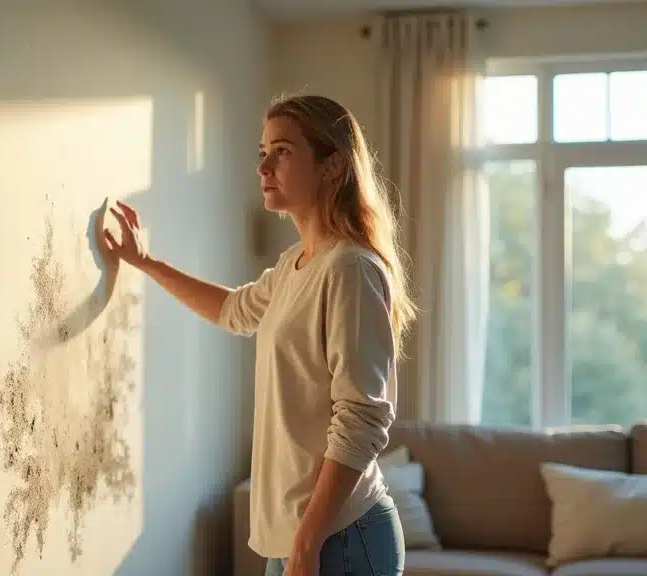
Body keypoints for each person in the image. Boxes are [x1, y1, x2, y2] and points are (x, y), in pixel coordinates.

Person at [104, 94, 415, 576]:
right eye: (263, 151)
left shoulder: (350, 268)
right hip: (300, 536)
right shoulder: (294, 265)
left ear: (333, 165)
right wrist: (145, 262)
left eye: (283, 151)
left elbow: (363, 417)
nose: (264, 165)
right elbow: (231, 309)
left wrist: (308, 543)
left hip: (339, 537)